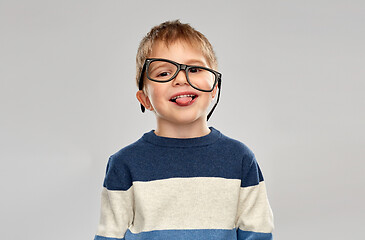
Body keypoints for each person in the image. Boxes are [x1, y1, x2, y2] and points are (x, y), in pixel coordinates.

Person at [94, 20, 274, 240]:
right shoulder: (125, 163)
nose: (180, 79)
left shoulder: (240, 159)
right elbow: (109, 235)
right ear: (145, 99)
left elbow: (258, 234)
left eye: (194, 69)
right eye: (163, 73)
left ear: (214, 88)